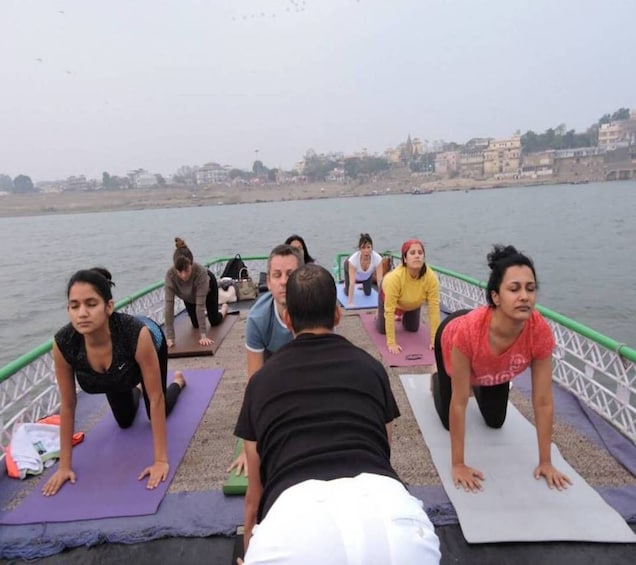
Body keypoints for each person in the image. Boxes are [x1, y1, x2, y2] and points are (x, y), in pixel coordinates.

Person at [234, 264, 440, 564]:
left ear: (288, 319)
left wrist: (250, 548)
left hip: (292, 522)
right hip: (393, 520)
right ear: (337, 314)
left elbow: (255, 492)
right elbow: (383, 450)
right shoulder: (371, 369)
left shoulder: (261, 384)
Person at [431, 244, 572, 493]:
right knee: (449, 418)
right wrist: (458, 464)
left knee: (495, 422)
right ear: (496, 296)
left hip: (492, 368)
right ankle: (437, 381)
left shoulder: (539, 332)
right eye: (514, 289)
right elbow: (460, 403)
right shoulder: (467, 332)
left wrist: (546, 462)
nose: (524, 296)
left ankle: (480, 382)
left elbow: (543, 402)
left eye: (530, 288)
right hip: (452, 340)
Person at [42, 268, 186, 496]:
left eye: (91, 304)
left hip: (150, 345)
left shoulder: (135, 334)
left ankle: (178, 382)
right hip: (116, 373)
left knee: (155, 410)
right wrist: (64, 467)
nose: (82, 313)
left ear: (108, 306)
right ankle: (136, 386)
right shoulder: (64, 344)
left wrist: (160, 461)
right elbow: (68, 405)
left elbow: (157, 398)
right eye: (74, 306)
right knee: (125, 421)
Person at [227, 243, 302, 476]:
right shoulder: (258, 319)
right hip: (272, 356)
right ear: (268, 282)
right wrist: (248, 447)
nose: (283, 282)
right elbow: (254, 385)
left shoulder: (316, 310)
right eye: (277, 275)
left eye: (290, 275)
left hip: (303, 354)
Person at [376, 239, 441, 354]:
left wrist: (434, 340)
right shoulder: (395, 278)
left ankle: (403, 315)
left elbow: (434, 309)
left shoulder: (431, 277)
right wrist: (391, 343)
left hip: (413, 303)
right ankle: (378, 315)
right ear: (405, 259)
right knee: (382, 330)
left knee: (412, 329)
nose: (417, 256)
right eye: (412, 253)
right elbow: (389, 311)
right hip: (389, 297)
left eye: (420, 253)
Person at [164, 237, 228, 348]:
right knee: (195, 324)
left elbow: (200, 306)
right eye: (180, 271)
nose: (183, 275)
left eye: (186, 270)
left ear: (192, 265)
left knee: (214, 321)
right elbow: (169, 306)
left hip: (207, 289)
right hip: (188, 295)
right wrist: (170, 338)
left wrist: (203, 336)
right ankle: (204, 317)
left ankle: (224, 309)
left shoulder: (201, 273)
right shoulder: (170, 275)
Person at [344, 232, 384, 306]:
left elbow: (379, 281)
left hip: (366, 275)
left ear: (372, 248)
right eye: (363, 248)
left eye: (368, 247)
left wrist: (383, 301)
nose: (366, 251)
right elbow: (352, 283)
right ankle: (345, 285)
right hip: (350, 268)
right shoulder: (353, 260)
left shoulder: (377, 258)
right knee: (347, 292)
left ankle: (363, 284)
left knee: (368, 293)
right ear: (360, 249)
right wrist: (350, 302)